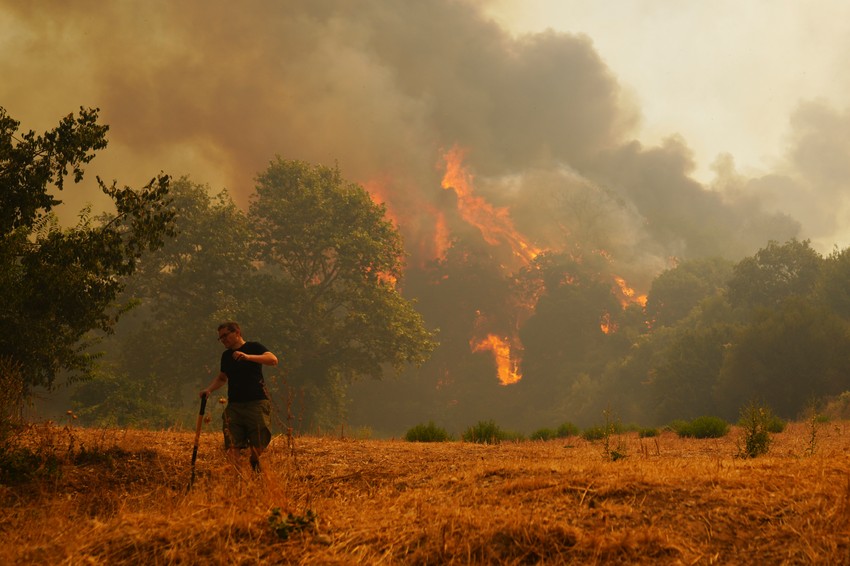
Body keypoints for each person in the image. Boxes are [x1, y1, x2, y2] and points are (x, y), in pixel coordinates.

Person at [201, 321, 278, 474]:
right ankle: (237, 478)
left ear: (237, 332)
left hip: (256, 403)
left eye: (225, 335)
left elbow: (273, 360)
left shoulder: (254, 347)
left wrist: (248, 357)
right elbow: (223, 378)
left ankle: (254, 460)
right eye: (220, 338)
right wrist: (208, 390)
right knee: (232, 443)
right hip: (234, 406)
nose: (223, 339)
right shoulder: (226, 356)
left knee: (259, 440)